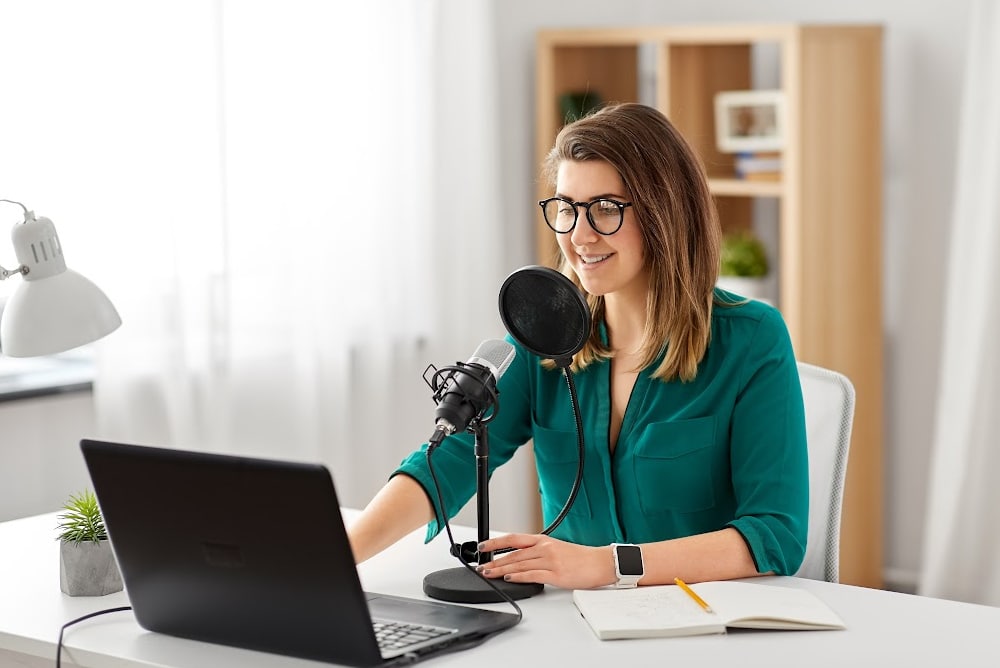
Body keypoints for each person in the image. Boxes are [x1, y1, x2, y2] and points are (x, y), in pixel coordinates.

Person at [347, 102, 808, 590]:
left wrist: (606, 565)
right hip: (574, 624)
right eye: (566, 208)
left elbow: (775, 534)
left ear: (665, 214)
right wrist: (338, 557)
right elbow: (452, 459)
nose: (579, 235)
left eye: (605, 209)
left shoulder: (753, 338)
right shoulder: (544, 332)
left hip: (703, 623)